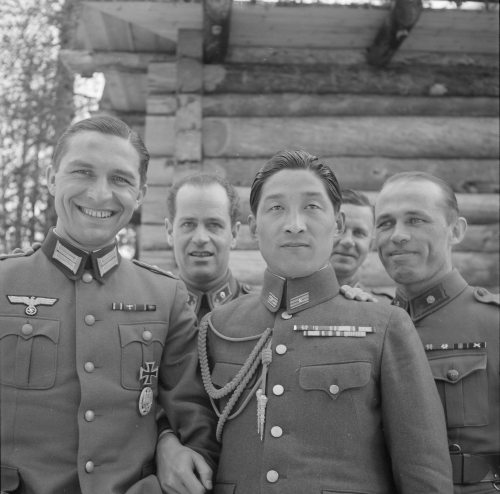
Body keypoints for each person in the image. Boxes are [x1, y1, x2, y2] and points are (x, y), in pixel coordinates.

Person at [196, 150, 453, 493]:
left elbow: (423, 473)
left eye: (312, 207)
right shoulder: (220, 327)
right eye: (276, 208)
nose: (294, 224)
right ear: (254, 227)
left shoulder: (385, 326)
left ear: (338, 224)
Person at [0, 116, 218, 494]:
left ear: (141, 192)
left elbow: (192, 419)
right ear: (52, 178)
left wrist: (170, 444)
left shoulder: (165, 297)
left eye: (120, 179)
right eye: (82, 172)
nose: (100, 194)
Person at [374, 171, 500, 493]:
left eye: (416, 220)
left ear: (455, 231)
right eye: (386, 223)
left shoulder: (493, 323)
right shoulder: (372, 326)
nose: (398, 235)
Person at [165, 173, 251, 321]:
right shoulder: (154, 313)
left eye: (214, 225)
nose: (200, 238)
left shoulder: (258, 315)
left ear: (234, 234)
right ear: (170, 232)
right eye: (188, 224)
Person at [331, 188, 393, 301]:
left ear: (371, 245)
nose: (348, 241)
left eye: (359, 233)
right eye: (339, 229)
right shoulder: (291, 302)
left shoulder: (383, 308)